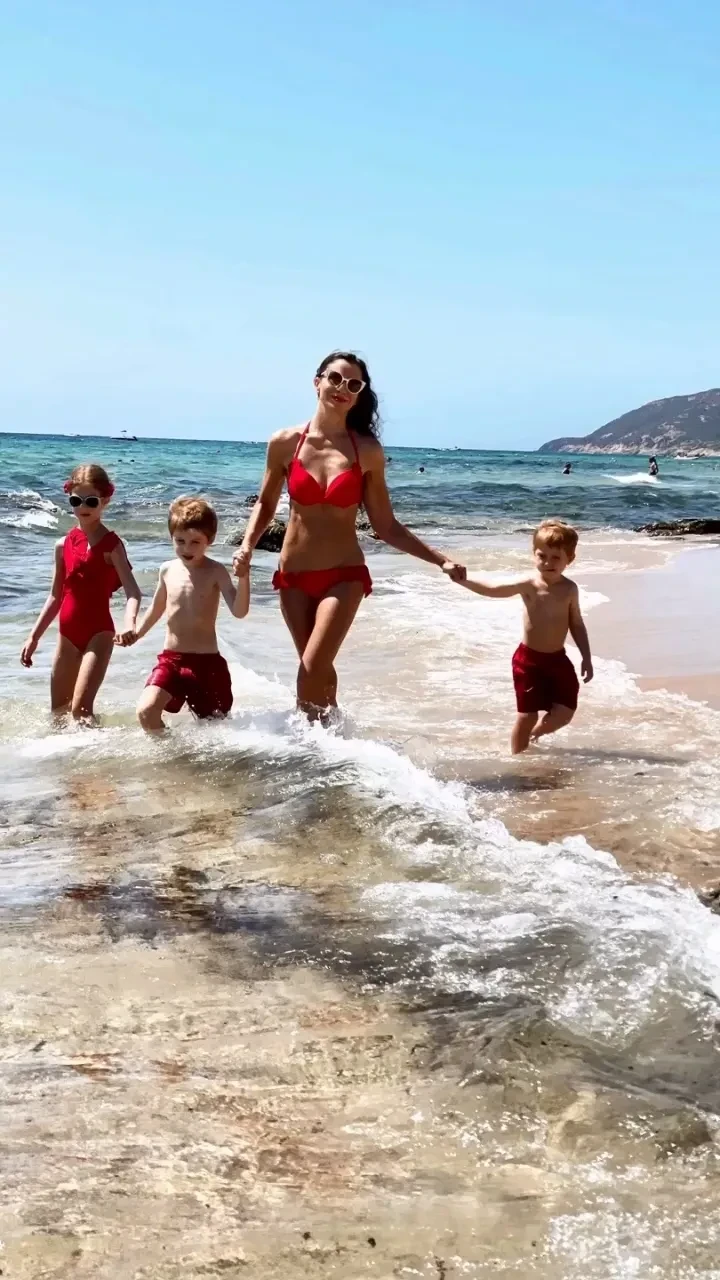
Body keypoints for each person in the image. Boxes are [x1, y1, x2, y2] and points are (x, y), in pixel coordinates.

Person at [233, 351, 465, 719]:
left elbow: (385, 525)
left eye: (353, 384)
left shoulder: (366, 451)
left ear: (359, 395)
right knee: (318, 670)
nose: (342, 388)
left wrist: (441, 560)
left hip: (343, 576)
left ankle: (304, 746)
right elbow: (265, 503)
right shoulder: (285, 442)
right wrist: (247, 546)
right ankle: (336, 737)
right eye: (335, 378)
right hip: (293, 577)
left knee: (311, 668)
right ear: (317, 382)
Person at [457, 520, 593, 754]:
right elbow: (493, 589)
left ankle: (534, 736)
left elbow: (577, 624)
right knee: (527, 715)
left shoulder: (570, 589)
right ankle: (518, 759)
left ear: (569, 559)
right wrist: (463, 580)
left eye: (556, 557)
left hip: (557, 660)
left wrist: (586, 657)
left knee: (564, 712)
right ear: (534, 554)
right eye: (542, 556)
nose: (548, 562)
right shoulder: (529, 584)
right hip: (528, 662)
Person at [20, 463, 141, 721]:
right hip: (67, 634)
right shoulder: (62, 545)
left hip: (100, 634)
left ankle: (102, 748)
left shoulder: (112, 546)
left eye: (91, 501)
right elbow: (55, 596)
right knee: (58, 712)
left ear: (105, 500)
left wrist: (130, 624)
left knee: (81, 711)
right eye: (76, 500)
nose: (83, 507)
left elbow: (133, 592)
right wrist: (34, 637)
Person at [119, 497, 249, 732]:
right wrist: (136, 633)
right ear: (171, 537)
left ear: (210, 540)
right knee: (146, 711)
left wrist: (244, 577)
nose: (187, 548)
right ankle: (170, 752)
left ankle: (193, 756)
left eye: (195, 542)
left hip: (207, 664)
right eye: (180, 541)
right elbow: (157, 608)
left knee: (215, 729)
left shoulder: (216, 571)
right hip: (171, 660)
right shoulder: (167, 570)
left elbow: (239, 611)